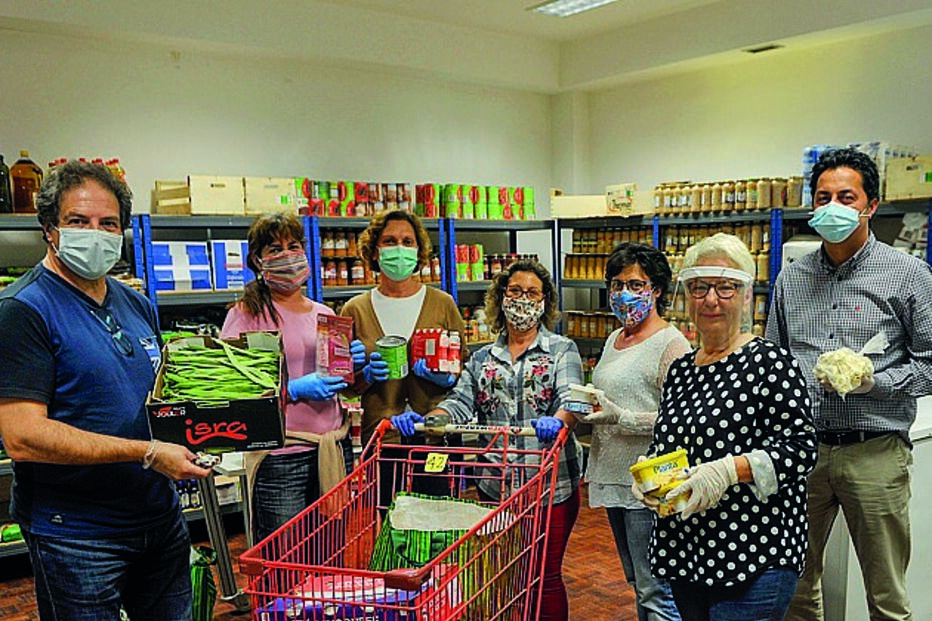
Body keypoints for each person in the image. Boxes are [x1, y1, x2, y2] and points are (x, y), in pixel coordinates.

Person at [0, 160, 212, 620]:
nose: (95, 233)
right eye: (79, 222)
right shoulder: (23, 310)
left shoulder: (135, 303)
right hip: (78, 534)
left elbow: (160, 400)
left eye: (108, 223)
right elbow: (22, 436)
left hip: (158, 519)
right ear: (49, 228)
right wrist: (148, 453)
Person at [767, 147, 932, 621]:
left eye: (846, 196)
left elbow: (930, 364)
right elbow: (775, 364)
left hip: (875, 452)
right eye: (823, 197)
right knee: (796, 582)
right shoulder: (790, 280)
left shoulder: (908, 275)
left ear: (871, 205)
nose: (833, 207)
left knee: (886, 594)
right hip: (804, 451)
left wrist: (872, 383)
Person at [637, 233, 817, 620]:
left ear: (747, 295)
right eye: (700, 287)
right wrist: (651, 475)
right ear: (686, 294)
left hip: (753, 555)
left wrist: (728, 471)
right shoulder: (683, 370)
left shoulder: (772, 363)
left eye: (725, 287)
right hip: (686, 550)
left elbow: (800, 450)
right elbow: (671, 440)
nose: (711, 300)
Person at [397, 259, 583, 621]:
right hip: (493, 484)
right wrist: (429, 420)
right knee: (502, 575)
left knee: (544, 578)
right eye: (515, 292)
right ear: (500, 298)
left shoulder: (562, 349)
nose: (523, 300)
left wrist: (558, 422)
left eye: (532, 293)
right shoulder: (483, 357)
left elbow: (572, 401)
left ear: (545, 302)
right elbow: (460, 401)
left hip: (549, 484)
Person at [220, 212, 367, 541]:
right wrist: (292, 390)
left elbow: (343, 384)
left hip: (331, 449)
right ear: (257, 261)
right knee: (285, 554)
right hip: (280, 456)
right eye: (274, 249)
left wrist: (357, 368)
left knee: (330, 549)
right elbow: (233, 390)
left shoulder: (325, 313)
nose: (287, 255)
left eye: (294, 245)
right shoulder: (245, 315)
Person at [584, 242, 689, 621]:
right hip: (612, 473)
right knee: (637, 581)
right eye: (616, 284)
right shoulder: (615, 339)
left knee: (656, 589)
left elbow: (681, 420)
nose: (624, 293)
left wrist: (621, 417)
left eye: (636, 284)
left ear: (657, 290)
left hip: (650, 479)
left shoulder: (672, 344)